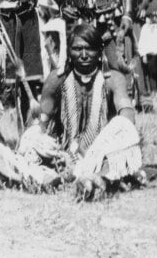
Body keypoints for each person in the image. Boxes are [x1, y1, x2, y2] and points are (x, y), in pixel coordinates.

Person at [21, 24, 141, 194]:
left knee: (124, 128)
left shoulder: (113, 79)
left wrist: (105, 142)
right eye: (77, 49)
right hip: (64, 153)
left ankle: (96, 177)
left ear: (100, 52)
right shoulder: (56, 79)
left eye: (89, 49)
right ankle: (53, 177)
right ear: (69, 51)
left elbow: (127, 115)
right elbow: (42, 119)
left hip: (101, 152)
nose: (84, 55)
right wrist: (41, 141)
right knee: (30, 138)